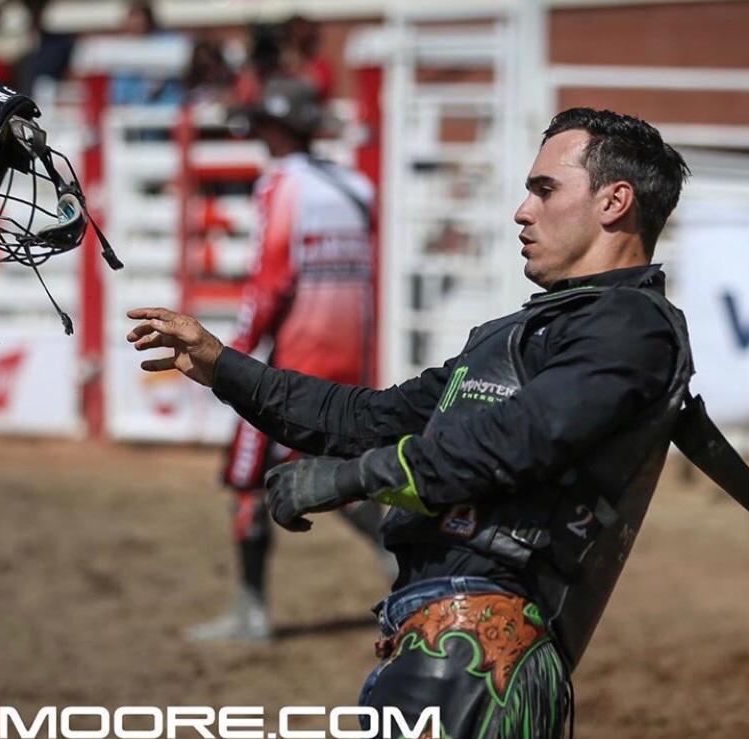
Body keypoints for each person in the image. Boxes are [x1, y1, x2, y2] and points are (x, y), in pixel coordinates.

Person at [127, 107, 690, 736]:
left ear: (615, 202)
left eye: (545, 189)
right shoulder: (520, 333)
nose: (522, 211)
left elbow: (522, 439)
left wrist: (352, 479)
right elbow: (370, 417)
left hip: (485, 654)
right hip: (437, 641)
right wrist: (223, 367)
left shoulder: (630, 324)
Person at [183, 76, 392, 644]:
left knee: (250, 477)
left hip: (292, 360)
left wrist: (229, 358)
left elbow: (270, 282)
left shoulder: (281, 185)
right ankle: (396, 557)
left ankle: (251, 611)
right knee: (343, 469)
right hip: (349, 356)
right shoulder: (356, 185)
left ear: (271, 129)